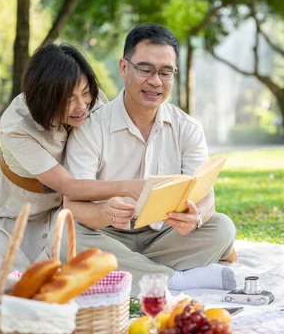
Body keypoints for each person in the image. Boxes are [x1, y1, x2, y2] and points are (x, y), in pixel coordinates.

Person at [61, 24, 237, 296]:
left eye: (166, 72)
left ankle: (127, 272)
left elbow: (206, 197)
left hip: (166, 235)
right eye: (145, 69)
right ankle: (175, 280)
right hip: (106, 234)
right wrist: (103, 212)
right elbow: (72, 205)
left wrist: (197, 217)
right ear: (123, 67)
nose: (156, 81)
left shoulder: (187, 127)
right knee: (64, 238)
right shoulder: (90, 128)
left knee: (222, 228)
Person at [0, 43, 144, 271]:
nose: (81, 106)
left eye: (85, 92)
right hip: (14, 210)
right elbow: (68, 185)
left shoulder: (94, 102)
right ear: (45, 97)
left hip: (63, 211)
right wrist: (127, 187)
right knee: (8, 280)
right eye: (68, 99)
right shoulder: (17, 126)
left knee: (68, 271)